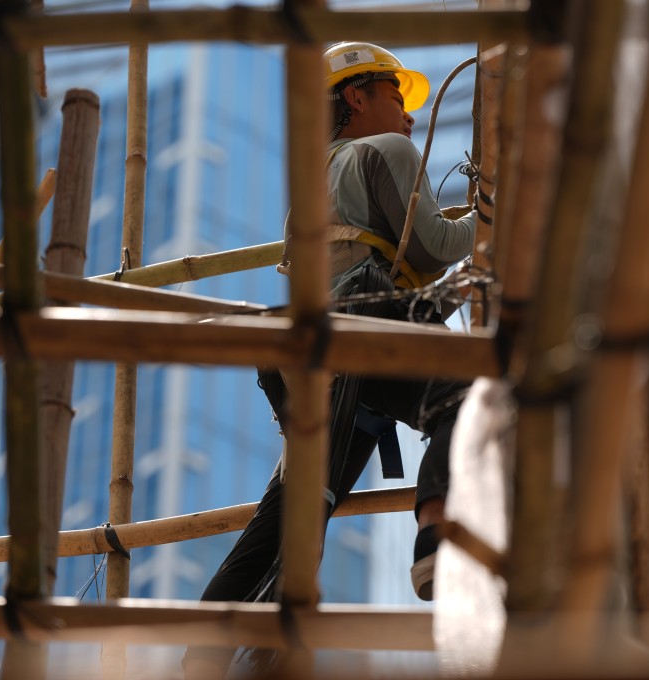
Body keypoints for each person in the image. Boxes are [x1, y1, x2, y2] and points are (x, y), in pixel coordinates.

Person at [182, 42, 476, 677]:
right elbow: (431, 246)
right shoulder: (386, 152)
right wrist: (490, 222)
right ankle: (437, 533)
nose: (409, 118)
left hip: (310, 357)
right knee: (467, 395)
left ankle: (201, 652)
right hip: (366, 324)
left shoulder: (313, 184)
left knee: (295, 506)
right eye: (396, 96)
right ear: (356, 95)